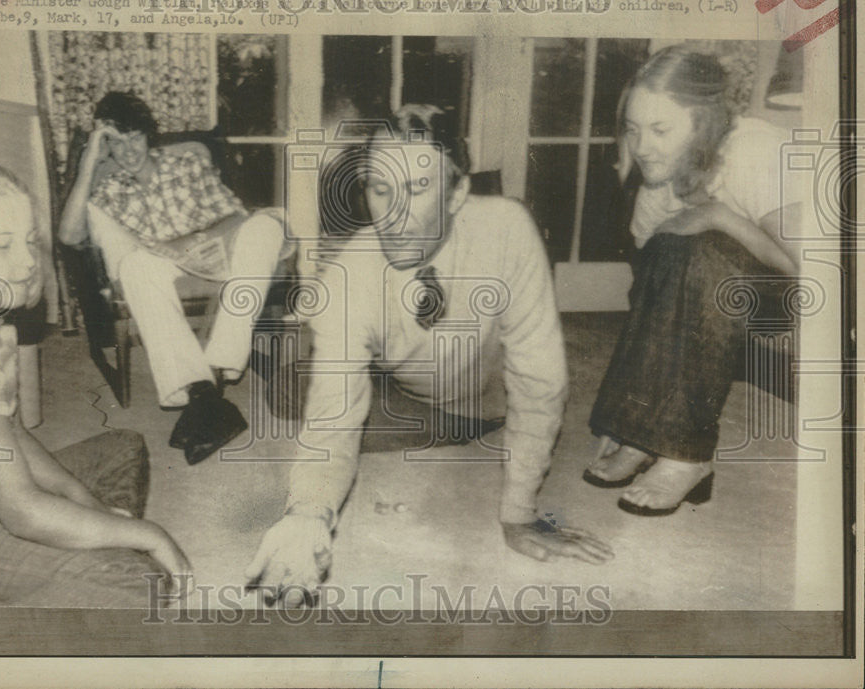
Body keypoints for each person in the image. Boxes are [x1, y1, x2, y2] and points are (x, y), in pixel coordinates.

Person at [245, 106, 614, 607]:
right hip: (401, 382)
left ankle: (451, 426)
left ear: (458, 192)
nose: (393, 216)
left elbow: (540, 379)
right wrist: (307, 515)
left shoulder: (508, 228)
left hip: (476, 401)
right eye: (380, 188)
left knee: (299, 388)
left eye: (417, 189)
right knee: (300, 387)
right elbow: (332, 416)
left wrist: (520, 510)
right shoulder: (346, 273)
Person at [0, 164, 193, 606]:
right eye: (3, 245)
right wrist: (149, 535)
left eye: (30, 242)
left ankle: (83, 541)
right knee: (132, 583)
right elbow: (19, 511)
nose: (25, 261)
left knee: (124, 445)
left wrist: (79, 497)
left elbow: (12, 431)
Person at [582, 46, 801, 515]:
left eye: (660, 129)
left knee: (703, 248)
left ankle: (686, 452)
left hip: (800, 293)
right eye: (633, 129)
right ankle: (644, 434)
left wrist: (720, 215)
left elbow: (819, 268)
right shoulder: (658, 174)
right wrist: (628, 407)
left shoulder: (752, 150)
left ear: (703, 122)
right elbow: (650, 291)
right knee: (671, 250)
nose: (642, 147)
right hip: (724, 293)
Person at [57, 91, 289, 464]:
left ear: (149, 135)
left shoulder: (185, 165)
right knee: (134, 267)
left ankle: (214, 368)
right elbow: (68, 236)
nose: (128, 151)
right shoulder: (108, 189)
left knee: (266, 226)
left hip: (213, 250)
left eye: (134, 137)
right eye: (116, 142)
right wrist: (89, 163)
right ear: (106, 147)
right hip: (159, 262)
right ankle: (203, 391)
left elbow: (235, 214)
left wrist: (201, 240)